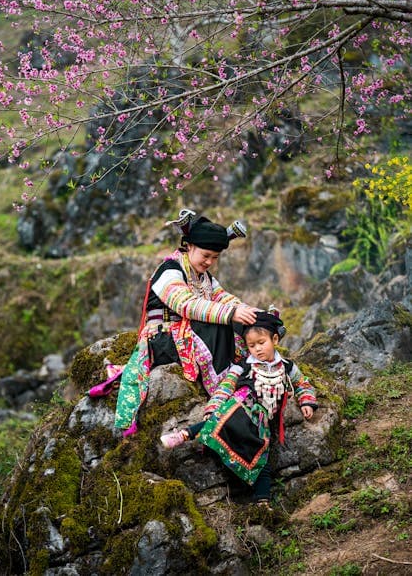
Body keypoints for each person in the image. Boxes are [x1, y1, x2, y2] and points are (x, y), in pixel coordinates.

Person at [114, 208, 259, 436]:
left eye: (215, 257)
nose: (210, 262)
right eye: (206, 255)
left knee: (243, 322)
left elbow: (225, 298)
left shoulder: (204, 277)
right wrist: (230, 313)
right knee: (221, 321)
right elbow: (186, 305)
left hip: (187, 335)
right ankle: (221, 389)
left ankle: (247, 372)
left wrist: (253, 314)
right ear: (189, 246)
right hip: (163, 341)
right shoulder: (169, 270)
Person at [160, 309, 318, 507]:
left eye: (262, 343)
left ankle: (262, 502)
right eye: (252, 345)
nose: (257, 349)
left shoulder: (287, 366)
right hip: (241, 406)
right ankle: (184, 434)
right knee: (218, 421)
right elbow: (226, 385)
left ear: (275, 339)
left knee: (261, 457)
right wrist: (214, 406)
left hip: (263, 421)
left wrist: (306, 402)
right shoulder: (243, 365)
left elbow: (302, 383)